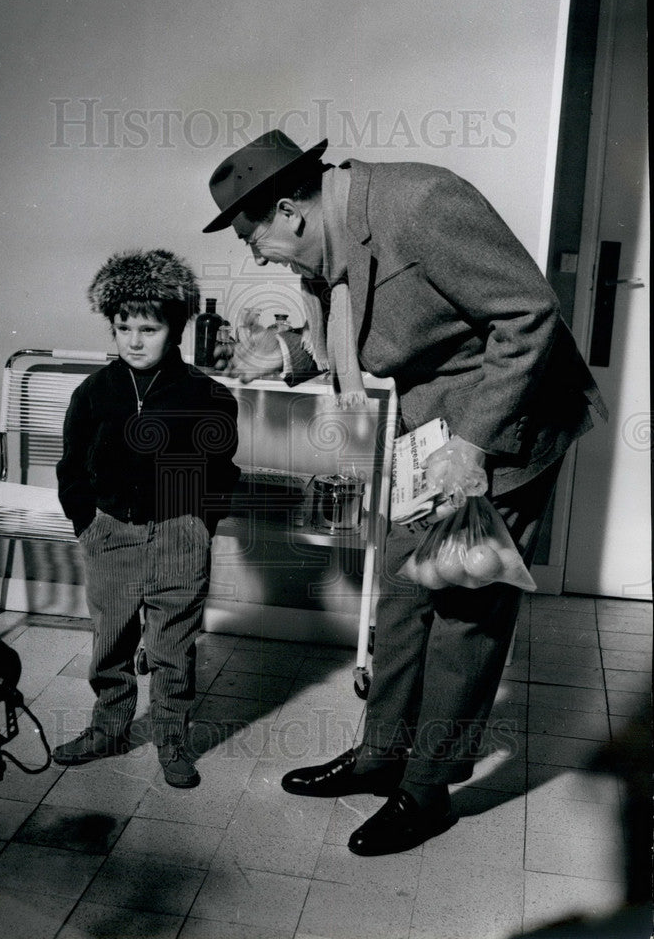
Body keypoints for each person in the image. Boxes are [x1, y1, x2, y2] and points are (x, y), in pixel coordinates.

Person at [203, 129, 607, 852]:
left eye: (255, 241)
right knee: (400, 595)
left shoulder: (420, 203)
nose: (260, 257)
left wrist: (471, 443)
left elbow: (527, 313)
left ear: (290, 211)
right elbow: (358, 333)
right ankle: (380, 756)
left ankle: (426, 792)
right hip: (430, 429)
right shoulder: (331, 242)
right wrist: (287, 352)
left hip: (507, 425)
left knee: (462, 613)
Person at [53, 249, 240, 787]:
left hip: (181, 533)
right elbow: (71, 465)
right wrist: (86, 522)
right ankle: (108, 728)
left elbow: (221, 470)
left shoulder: (207, 397)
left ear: (175, 329)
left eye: (149, 328)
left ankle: (172, 736)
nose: (135, 340)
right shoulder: (92, 393)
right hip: (110, 531)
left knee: (171, 646)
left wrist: (199, 525)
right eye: (123, 327)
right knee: (110, 637)